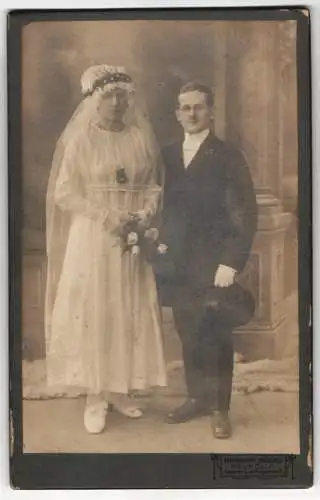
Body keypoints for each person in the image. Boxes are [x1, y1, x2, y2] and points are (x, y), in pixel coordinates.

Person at [45, 65, 167, 434]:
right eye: (108, 96)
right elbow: (64, 192)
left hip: (131, 235)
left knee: (126, 307)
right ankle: (95, 395)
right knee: (96, 309)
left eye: (121, 96)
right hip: (95, 236)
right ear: (94, 101)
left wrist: (144, 212)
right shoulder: (81, 140)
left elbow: (152, 186)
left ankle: (119, 389)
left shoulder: (139, 138)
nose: (116, 103)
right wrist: (105, 216)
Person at [159, 82, 257, 438]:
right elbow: (163, 208)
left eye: (198, 107)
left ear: (211, 111)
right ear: (177, 113)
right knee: (188, 332)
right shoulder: (168, 155)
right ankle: (196, 398)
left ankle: (219, 407)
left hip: (214, 264)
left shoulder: (227, 156)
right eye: (185, 108)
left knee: (215, 335)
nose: (192, 114)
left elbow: (244, 213)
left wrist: (231, 262)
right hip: (179, 265)